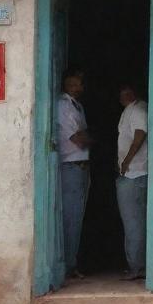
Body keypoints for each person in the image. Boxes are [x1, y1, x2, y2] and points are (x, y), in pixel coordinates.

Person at [57, 68, 91, 281]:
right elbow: (78, 138)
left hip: (79, 166)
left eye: (79, 84)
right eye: (72, 84)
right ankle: (67, 266)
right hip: (70, 166)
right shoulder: (63, 106)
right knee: (70, 218)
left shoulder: (75, 106)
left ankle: (71, 263)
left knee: (76, 218)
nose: (77, 88)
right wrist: (96, 139)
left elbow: (82, 135)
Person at [116, 83, 149, 281]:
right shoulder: (132, 110)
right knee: (137, 221)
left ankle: (137, 267)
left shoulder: (137, 109)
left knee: (133, 222)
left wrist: (127, 161)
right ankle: (140, 266)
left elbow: (139, 135)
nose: (122, 96)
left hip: (134, 174)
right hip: (134, 173)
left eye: (124, 92)